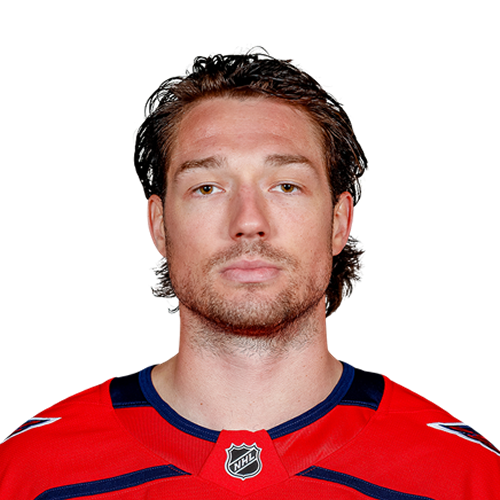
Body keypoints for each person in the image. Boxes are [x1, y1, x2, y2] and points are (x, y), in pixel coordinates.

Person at [1, 45, 498, 499]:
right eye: (207, 188)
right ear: (159, 226)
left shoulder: (466, 476)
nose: (248, 222)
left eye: (286, 185)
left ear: (339, 222)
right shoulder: (26, 472)